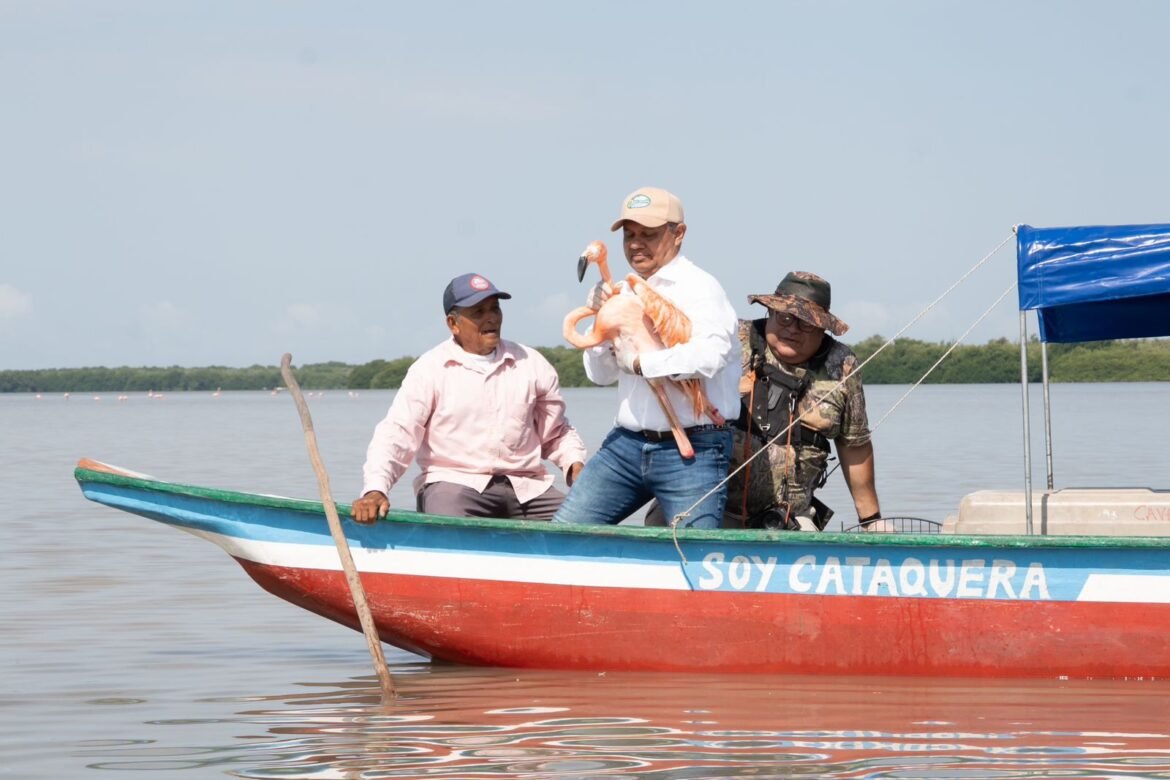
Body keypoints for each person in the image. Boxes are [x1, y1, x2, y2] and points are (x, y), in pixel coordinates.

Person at [552, 187, 741, 529]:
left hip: (694, 448)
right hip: (625, 444)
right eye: (630, 235)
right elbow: (601, 376)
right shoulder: (623, 290)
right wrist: (600, 319)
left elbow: (710, 356)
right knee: (563, 534)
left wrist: (642, 365)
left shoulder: (700, 288)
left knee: (692, 552)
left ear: (678, 233)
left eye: (649, 235)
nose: (636, 244)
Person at [351, 273, 587, 523]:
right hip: (454, 483)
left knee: (584, 522)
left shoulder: (531, 363)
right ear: (453, 323)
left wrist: (575, 466)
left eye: (495, 309)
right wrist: (375, 489)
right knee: (449, 525)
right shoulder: (430, 369)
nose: (491, 318)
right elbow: (397, 433)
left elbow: (556, 432)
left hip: (527, 488)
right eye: (479, 312)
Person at [726, 271, 888, 532]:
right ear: (770, 311)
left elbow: (854, 446)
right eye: (785, 317)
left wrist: (871, 521)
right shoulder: (732, 339)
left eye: (806, 323)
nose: (792, 328)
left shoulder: (842, 365)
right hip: (712, 508)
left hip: (790, 520)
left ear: (823, 327)